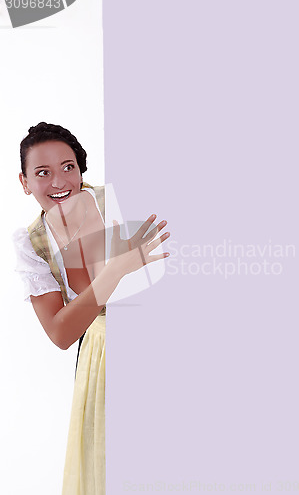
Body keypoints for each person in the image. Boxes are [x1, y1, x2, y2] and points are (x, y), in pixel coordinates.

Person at [13, 122, 170, 495]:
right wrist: (114, 271)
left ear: (81, 169)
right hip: (101, 356)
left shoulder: (120, 202)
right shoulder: (31, 243)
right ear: (24, 182)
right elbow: (61, 333)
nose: (58, 182)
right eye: (42, 173)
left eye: (68, 167)